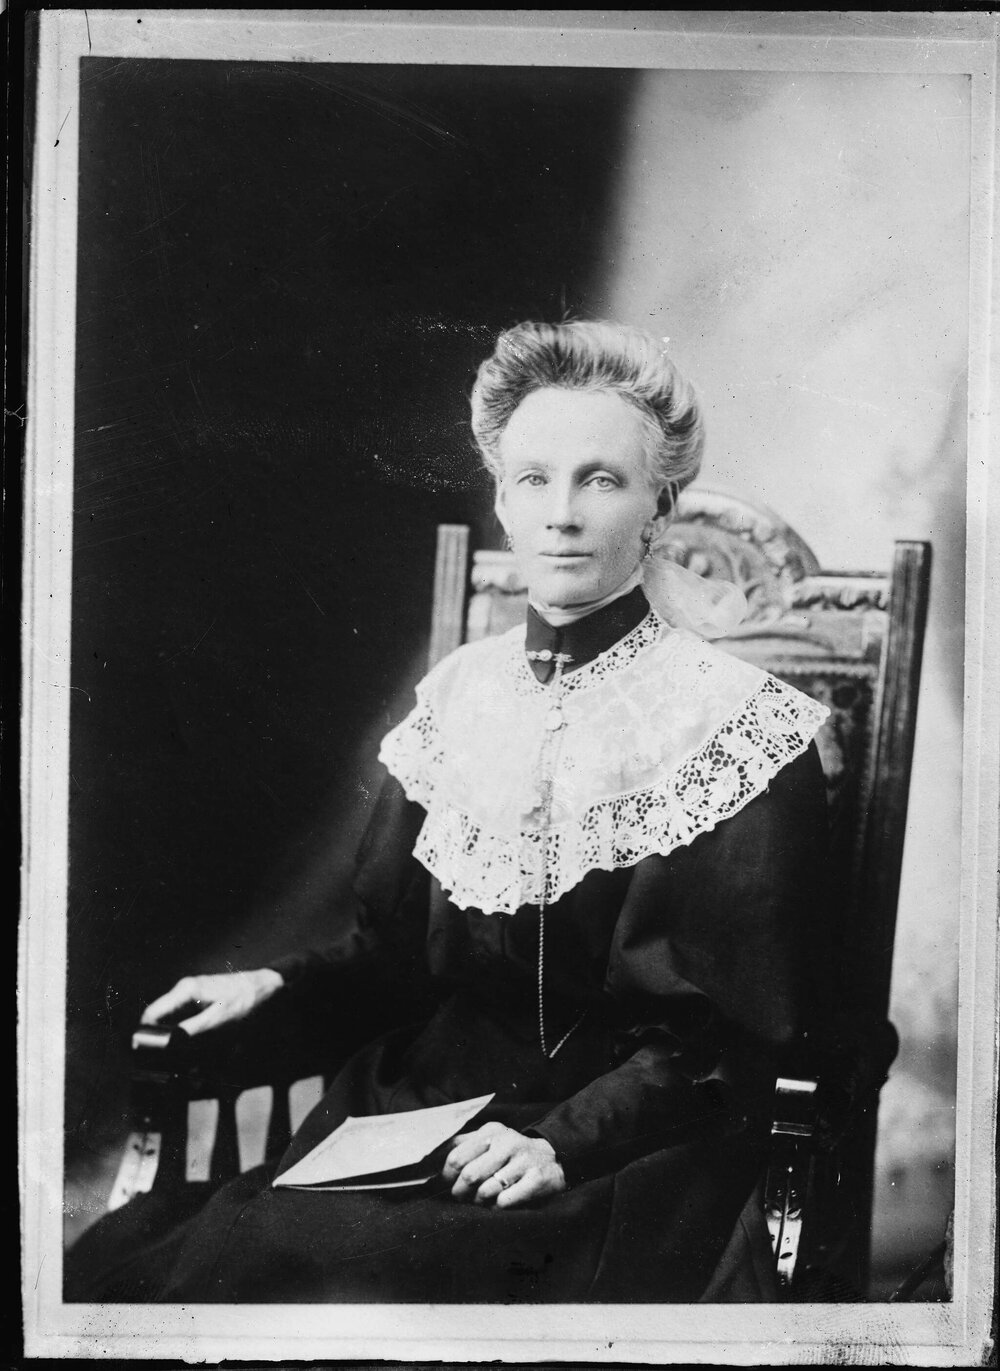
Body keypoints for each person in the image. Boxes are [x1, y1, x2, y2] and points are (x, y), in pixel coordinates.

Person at [65, 320, 831, 1303]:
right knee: (229, 1260)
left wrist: (561, 1144)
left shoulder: (734, 730)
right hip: (420, 1111)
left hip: (623, 1153)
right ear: (501, 502)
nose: (562, 513)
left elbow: (731, 1037)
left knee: (339, 1273)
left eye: (600, 480)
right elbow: (395, 966)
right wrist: (276, 987)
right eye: (532, 480)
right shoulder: (459, 697)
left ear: (659, 508)